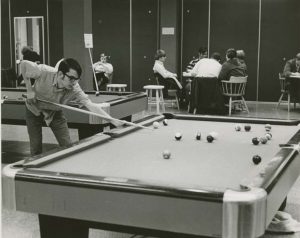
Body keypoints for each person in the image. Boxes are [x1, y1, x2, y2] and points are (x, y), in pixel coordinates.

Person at [20, 58, 120, 156]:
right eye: (71, 79)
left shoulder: (74, 88)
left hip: (55, 113)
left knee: (68, 147)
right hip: (34, 109)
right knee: (36, 147)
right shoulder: (44, 71)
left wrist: (113, 121)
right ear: (60, 74)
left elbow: (91, 106)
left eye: (76, 80)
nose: (74, 83)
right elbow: (23, 64)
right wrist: (29, 90)